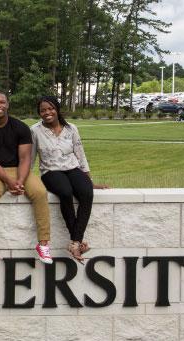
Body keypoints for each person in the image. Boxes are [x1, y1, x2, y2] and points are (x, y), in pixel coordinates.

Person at [0, 92, 52, 265]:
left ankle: (44, 244)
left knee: (39, 192)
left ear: (7, 104)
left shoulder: (21, 127)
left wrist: (20, 181)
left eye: (2, 102)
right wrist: (10, 182)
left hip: (19, 169)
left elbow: (26, 159)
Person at [31, 96, 108, 264]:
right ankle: (77, 241)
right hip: (51, 171)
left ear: (57, 109)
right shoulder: (35, 130)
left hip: (73, 168)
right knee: (65, 192)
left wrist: (88, 178)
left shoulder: (71, 128)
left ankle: (75, 242)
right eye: (43, 110)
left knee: (86, 193)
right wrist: (25, 180)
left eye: (50, 109)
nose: (47, 113)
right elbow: (31, 157)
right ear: (39, 113)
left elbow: (80, 152)